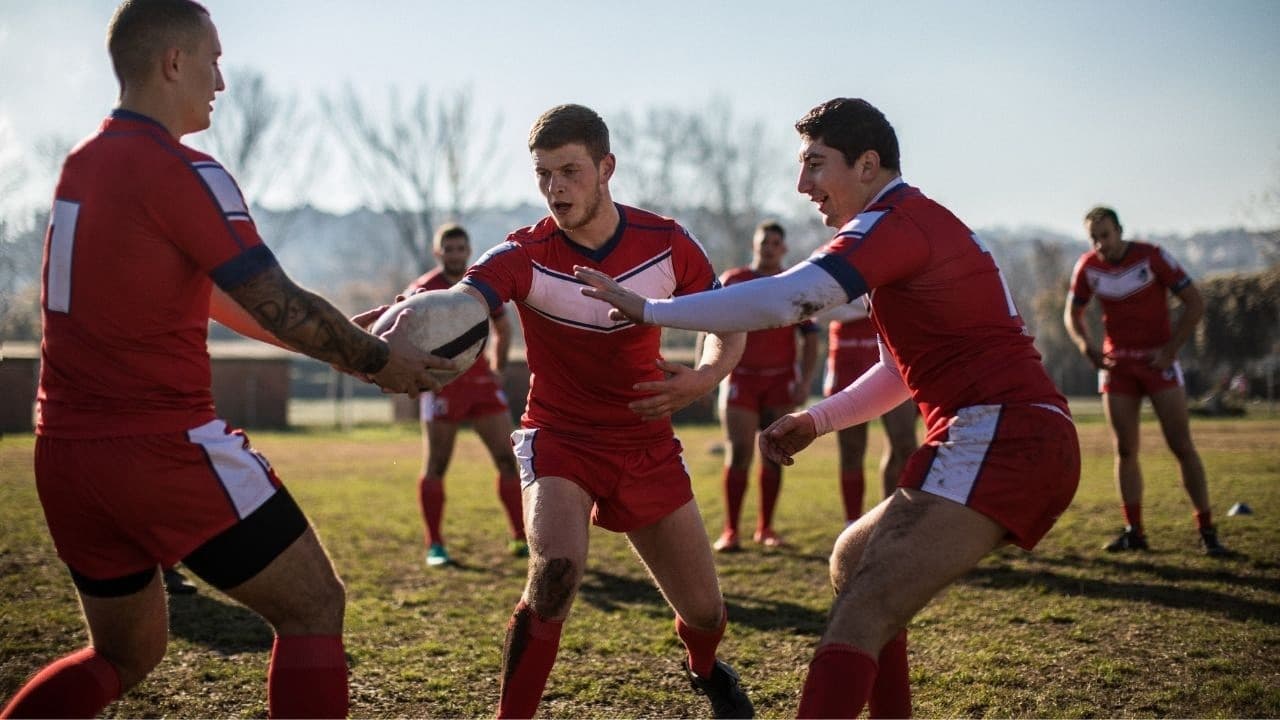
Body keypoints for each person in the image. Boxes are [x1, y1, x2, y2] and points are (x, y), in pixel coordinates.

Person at [0, 2, 446, 717]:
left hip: (65, 459)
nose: (222, 81)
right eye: (213, 59)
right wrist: (377, 362)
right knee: (313, 606)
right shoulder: (182, 170)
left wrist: (345, 336)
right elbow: (271, 295)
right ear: (173, 62)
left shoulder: (83, 165)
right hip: (161, 451)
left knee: (125, 654)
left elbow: (219, 295)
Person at [576, 96, 1080, 718]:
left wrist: (652, 311)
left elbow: (793, 298)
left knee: (862, 611)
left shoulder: (891, 220)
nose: (802, 184)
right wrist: (818, 418)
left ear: (867, 165)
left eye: (816, 164)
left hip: (1003, 436)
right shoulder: (916, 222)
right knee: (853, 559)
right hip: (1013, 435)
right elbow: (901, 371)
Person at [455, 104, 753, 718]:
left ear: (606, 167)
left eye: (569, 171)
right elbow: (463, 298)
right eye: (543, 174)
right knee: (555, 573)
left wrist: (703, 379)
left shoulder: (666, 242)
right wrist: (407, 325)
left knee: (705, 612)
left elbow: (727, 323)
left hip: (644, 443)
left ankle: (703, 666)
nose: (555, 188)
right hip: (559, 437)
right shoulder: (523, 252)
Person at [1064, 206, 1227, 556]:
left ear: (1120, 231)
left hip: (1158, 363)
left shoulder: (1152, 257)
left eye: (1105, 235)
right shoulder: (1088, 266)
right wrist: (1086, 347)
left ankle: (1208, 531)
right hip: (1117, 367)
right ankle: (1134, 531)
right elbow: (1072, 314)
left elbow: (1195, 303)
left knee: (1181, 445)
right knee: (1125, 449)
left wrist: (1171, 350)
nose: (1100, 243)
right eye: (1093, 237)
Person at [404, 223, 526, 567]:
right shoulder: (423, 290)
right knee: (437, 466)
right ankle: (435, 545)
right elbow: (402, 333)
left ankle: (520, 536)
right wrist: (421, 375)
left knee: (508, 461)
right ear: (437, 252)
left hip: (481, 387)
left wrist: (496, 370)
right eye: (449, 249)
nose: (455, 255)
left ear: (468, 251)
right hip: (443, 388)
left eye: (461, 249)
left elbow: (503, 327)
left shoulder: (479, 285)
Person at [712, 221, 819, 551]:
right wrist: (708, 370)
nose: (769, 247)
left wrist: (804, 379)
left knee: (774, 453)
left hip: (780, 380)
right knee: (740, 451)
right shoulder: (734, 280)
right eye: (764, 241)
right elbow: (708, 322)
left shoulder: (792, 284)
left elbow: (811, 336)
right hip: (741, 378)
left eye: (776, 242)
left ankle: (766, 529)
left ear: (783, 248)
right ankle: (731, 531)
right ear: (754, 245)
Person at [816, 296, 918, 524]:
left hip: (892, 358)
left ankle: (889, 518)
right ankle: (852, 522)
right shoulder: (827, 258)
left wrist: (849, 299)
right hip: (846, 361)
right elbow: (819, 309)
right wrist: (873, 303)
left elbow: (906, 303)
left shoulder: (898, 260)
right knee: (852, 449)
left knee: (904, 443)